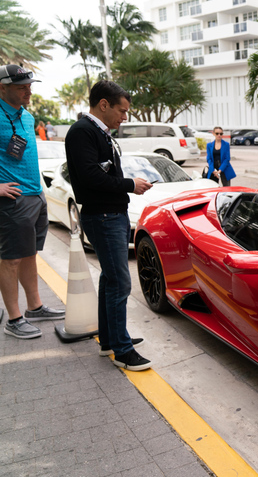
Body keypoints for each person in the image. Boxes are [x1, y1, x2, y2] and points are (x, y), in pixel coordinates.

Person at [65, 80, 153, 371]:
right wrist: (130, 184)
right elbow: (91, 176)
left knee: (109, 279)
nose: (124, 117)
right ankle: (123, 351)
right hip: (102, 217)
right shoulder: (82, 133)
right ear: (103, 104)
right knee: (120, 282)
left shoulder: (98, 133)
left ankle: (110, 340)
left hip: (110, 214)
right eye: (122, 111)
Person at [0, 64, 65, 339]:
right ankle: (14, 319)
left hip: (35, 195)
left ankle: (35, 306)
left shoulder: (26, 116)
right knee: (10, 259)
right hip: (13, 201)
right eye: (21, 86)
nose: (28, 90)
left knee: (29, 255)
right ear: (2, 88)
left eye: (29, 85)